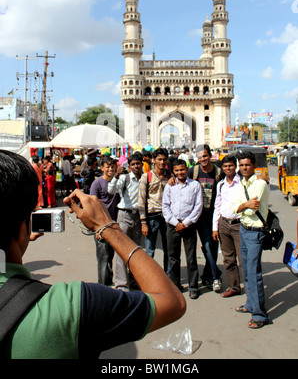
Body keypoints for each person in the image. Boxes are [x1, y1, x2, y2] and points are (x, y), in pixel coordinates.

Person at [0, 150, 186, 359]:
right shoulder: (73, 305)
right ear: (22, 227)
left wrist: (17, 241)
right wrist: (106, 226)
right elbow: (172, 302)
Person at [232, 150, 269, 329]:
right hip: (244, 230)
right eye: (241, 165)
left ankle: (260, 314)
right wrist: (244, 205)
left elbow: (251, 210)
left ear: (254, 166)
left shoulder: (260, 183)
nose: (244, 168)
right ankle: (250, 304)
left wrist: (242, 206)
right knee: (246, 270)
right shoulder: (241, 183)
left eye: (247, 165)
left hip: (255, 232)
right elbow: (234, 208)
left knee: (254, 273)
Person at [162, 159, 203, 299]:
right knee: (173, 257)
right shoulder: (170, 186)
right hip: (173, 225)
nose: (180, 173)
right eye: (177, 170)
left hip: (189, 226)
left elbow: (198, 207)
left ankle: (193, 286)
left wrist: (185, 223)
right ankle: (175, 285)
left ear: (187, 169)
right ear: (173, 171)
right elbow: (165, 207)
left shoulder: (195, 185)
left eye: (182, 170)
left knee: (191, 258)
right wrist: (175, 223)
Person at [188, 144, 223, 292]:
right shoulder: (193, 171)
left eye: (205, 156)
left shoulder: (218, 172)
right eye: (200, 156)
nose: (203, 159)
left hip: (213, 215)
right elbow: (180, 179)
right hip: (198, 216)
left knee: (213, 247)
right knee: (208, 245)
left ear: (210, 155)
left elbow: (234, 178)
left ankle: (209, 274)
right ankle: (215, 277)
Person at [108, 152, 143, 291]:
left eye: (138, 164)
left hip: (138, 217)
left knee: (135, 251)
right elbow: (110, 190)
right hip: (124, 215)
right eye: (133, 164)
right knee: (122, 250)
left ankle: (134, 280)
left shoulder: (145, 178)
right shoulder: (124, 178)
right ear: (129, 166)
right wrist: (116, 176)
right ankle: (122, 284)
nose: (136, 166)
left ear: (142, 164)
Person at [212, 154, 242, 297]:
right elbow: (217, 206)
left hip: (239, 225)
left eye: (230, 165)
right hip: (224, 224)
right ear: (222, 168)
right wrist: (215, 227)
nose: (228, 168)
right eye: (225, 166)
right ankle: (233, 287)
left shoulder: (243, 182)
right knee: (228, 259)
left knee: (243, 260)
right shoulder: (221, 184)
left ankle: (251, 290)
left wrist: (263, 178)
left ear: (235, 166)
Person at [138, 147, 170, 273]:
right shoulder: (147, 177)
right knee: (150, 250)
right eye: (159, 159)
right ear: (154, 160)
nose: (162, 162)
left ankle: (168, 278)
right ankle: (149, 277)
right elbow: (141, 200)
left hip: (167, 218)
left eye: (164, 160)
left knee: (168, 249)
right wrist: (143, 222)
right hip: (152, 218)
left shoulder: (170, 177)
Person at [90, 155, 120, 285]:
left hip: (114, 223)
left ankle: (108, 282)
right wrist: (97, 228)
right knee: (104, 258)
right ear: (102, 168)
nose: (111, 169)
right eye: (108, 167)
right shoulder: (97, 183)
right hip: (101, 225)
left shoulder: (118, 182)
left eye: (113, 167)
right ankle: (103, 285)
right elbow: (92, 205)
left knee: (111, 256)